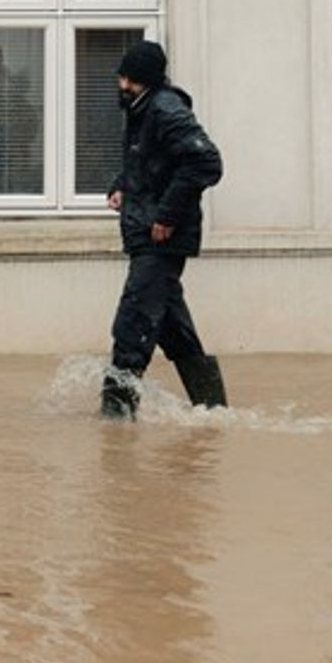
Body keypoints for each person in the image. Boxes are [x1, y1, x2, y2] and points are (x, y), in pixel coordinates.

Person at [102, 39, 227, 420]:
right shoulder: (142, 109)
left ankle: (115, 426)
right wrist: (121, 185)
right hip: (146, 234)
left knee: (132, 326)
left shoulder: (166, 110)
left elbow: (207, 162)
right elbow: (147, 160)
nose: (123, 85)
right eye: (122, 77)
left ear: (148, 81)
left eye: (130, 80)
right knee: (174, 329)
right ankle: (215, 414)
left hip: (161, 240)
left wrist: (166, 216)